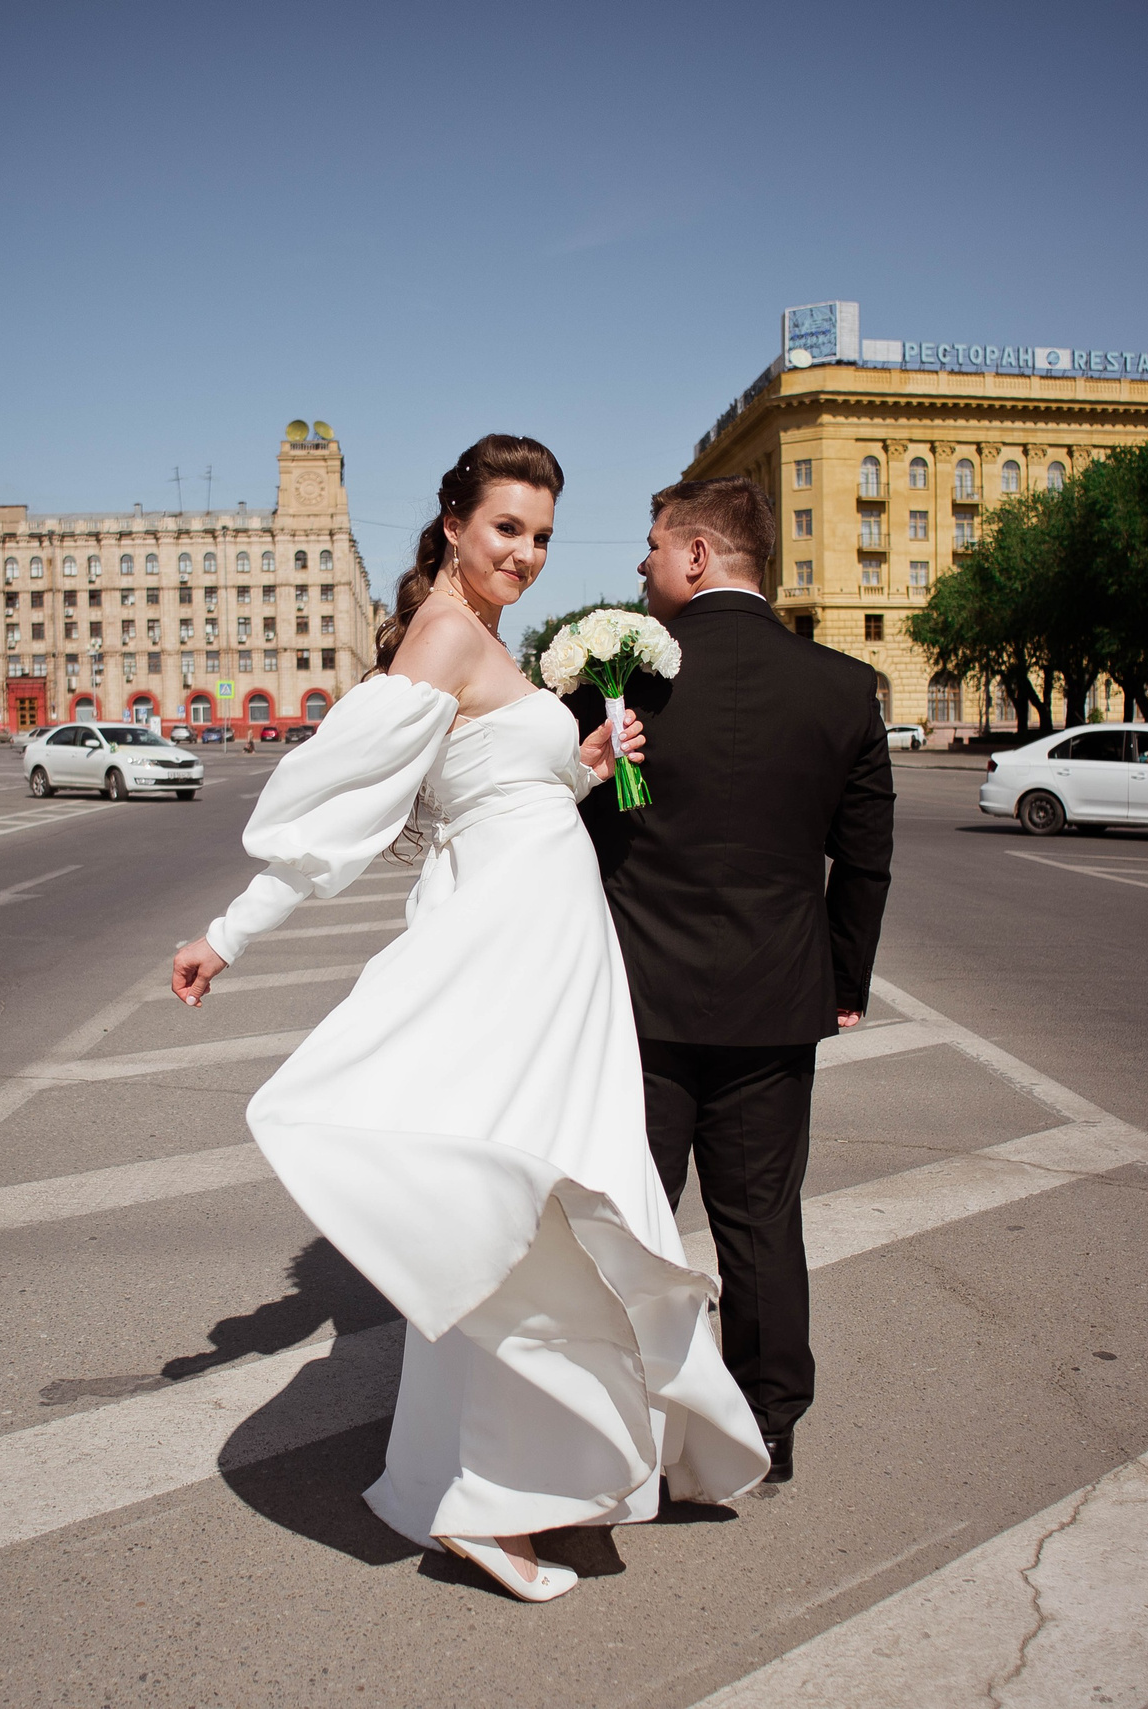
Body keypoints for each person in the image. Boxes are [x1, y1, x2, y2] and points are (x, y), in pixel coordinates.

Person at [171, 435, 768, 1603]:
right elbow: (332, 822)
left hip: (551, 949)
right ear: (451, 522)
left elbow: (501, 787)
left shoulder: (481, 641)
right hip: (508, 950)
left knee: (531, 1207)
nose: (527, 554)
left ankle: (475, 1478)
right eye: (506, 527)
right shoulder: (442, 636)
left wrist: (586, 761)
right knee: (521, 1209)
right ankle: (492, 1500)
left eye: (541, 534)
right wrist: (227, 933)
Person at [562, 476, 893, 1487]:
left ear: (698, 555)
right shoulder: (844, 689)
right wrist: (843, 979)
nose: (641, 562)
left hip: (640, 1009)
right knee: (760, 1221)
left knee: (631, 1218)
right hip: (773, 1005)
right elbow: (864, 858)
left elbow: (566, 837)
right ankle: (767, 1420)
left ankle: (625, 1412)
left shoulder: (617, 690)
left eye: (653, 544)